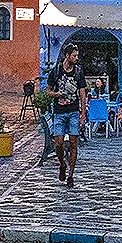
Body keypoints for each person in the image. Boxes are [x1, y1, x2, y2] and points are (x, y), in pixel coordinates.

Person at [46, 46, 88, 187]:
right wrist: (57, 94)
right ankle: (62, 164)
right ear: (67, 55)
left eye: (77, 56)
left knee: (73, 143)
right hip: (59, 112)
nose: (76, 58)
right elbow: (48, 91)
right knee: (58, 144)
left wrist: (83, 113)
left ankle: (71, 176)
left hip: (73, 112)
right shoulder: (56, 71)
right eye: (74, 56)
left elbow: (82, 94)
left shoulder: (78, 72)